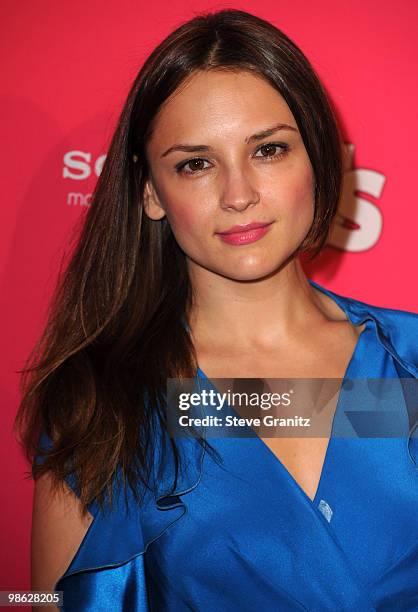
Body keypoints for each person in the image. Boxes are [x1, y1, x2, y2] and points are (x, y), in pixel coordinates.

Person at [15, 8, 418, 611]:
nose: (238, 195)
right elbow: (41, 604)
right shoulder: (103, 397)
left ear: (318, 160)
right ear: (150, 190)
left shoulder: (407, 365)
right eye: (195, 164)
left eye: (270, 150)